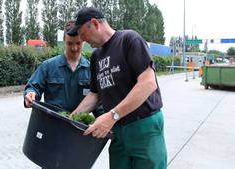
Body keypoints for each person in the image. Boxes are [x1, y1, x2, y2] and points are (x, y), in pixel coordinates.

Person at [69, 7, 167, 169]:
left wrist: (112, 115)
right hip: (117, 129)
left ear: (94, 24)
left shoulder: (129, 40)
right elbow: (94, 94)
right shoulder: (96, 56)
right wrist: (71, 120)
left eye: (82, 33)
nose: (83, 40)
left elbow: (148, 83)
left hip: (143, 126)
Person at [24, 20, 91, 112]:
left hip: (79, 124)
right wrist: (30, 94)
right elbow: (33, 87)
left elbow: (98, 103)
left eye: (78, 43)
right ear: (64, 40)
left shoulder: (90, 69)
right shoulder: (48, 66)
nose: (74, 48)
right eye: (70, 43)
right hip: (53, 122)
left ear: (84, 41)